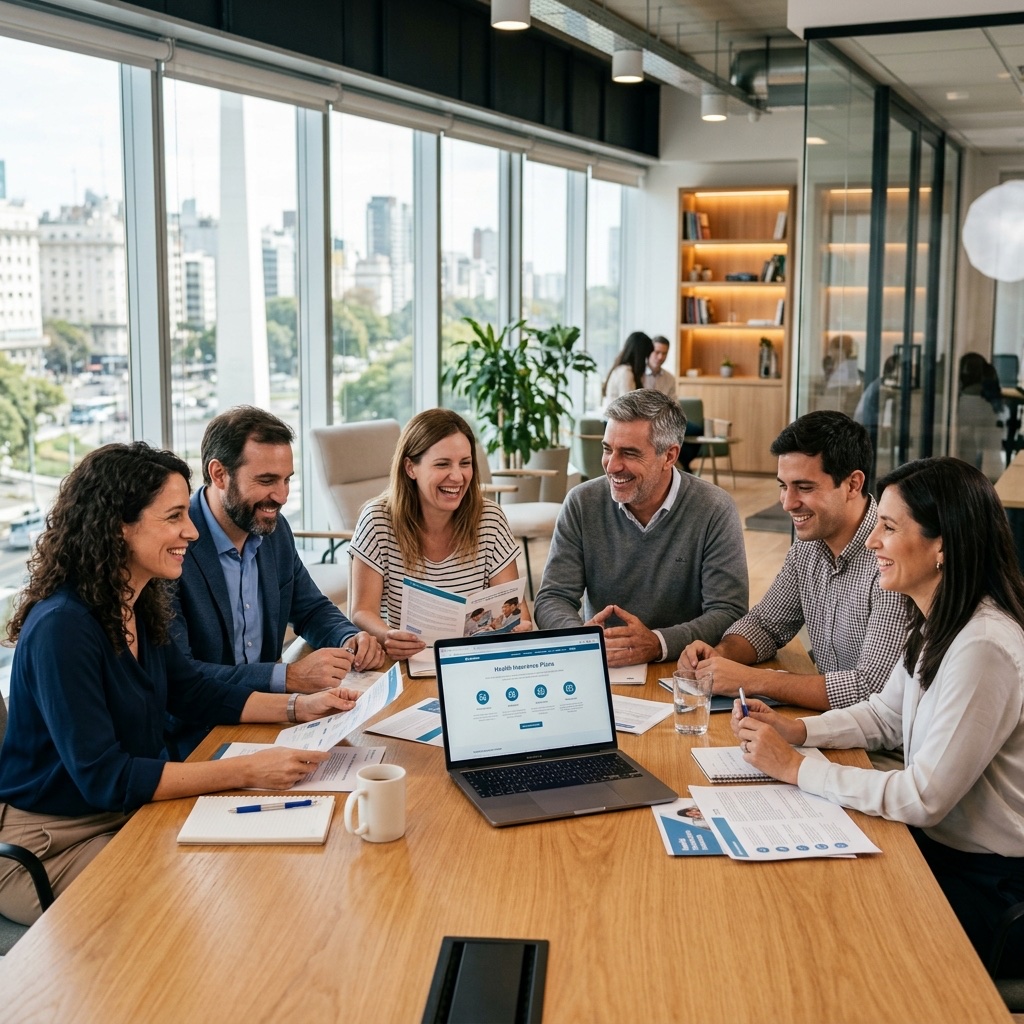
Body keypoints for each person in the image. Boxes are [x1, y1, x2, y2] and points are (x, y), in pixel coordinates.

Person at [0, 443, 359, 925]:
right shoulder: (62, 628)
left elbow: (193, 691)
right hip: (53, 843)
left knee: (248, 876)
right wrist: (247, 770)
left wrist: (300, 707)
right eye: (173, 517)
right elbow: (106, 777)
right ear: (118, 527)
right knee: (188, 909)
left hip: (130, 812)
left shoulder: (139, 602)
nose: (191, 530)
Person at [733, 457, 1024, 973]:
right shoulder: (938, 620)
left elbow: (923, 797)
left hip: (990, 886)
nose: (872, 542)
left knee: (835, 934)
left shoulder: (984, 646)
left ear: (943, 545)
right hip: (943, 852)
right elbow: (885, 715)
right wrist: (796, 729)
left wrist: (797, 766)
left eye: (889, 528)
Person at [169, 406, 382, 758]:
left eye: (287, 480)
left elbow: (310, 607)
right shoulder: (175, 544)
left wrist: (349, 637)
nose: (281, 497)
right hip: (200, 732)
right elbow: (183, 675)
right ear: (219, 474)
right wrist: (288, 677)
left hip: (272, 719)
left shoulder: (273, 530)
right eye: (267, 481)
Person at [680, 411, 906, 714]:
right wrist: (718, 658)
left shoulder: (892, 559)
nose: (787, 503)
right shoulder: (808, 547)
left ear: (853, 484)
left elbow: (870, 690)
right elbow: (765, 625)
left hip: (885, 747)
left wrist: (755, 680)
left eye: (804, 487)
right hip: (836, 725)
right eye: (783, 486)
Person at [534, 389, 747, 667]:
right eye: (607, 449)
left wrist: (658, 643)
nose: (612, 465)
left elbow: (728, 611)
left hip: (683, 666)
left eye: (629, 453)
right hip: (602, 663)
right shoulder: (581, 502)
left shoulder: (714, 509)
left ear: (669, 456)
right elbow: (553, 597)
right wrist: (580, 638)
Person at [350, 408, 531, 661]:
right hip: (408, 662)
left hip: (474, 660)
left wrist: (519, 625)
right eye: (442, 464)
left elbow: (516, 608)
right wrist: (387, 635)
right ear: (410, 468)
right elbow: (361, 611)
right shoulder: (377, 519)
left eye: (465, 463)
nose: (457, 477)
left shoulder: (489, 518)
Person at [602, 331, 653, 409]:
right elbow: (628, 408)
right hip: (619, 419)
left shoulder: (621, 369)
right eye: (646, 356)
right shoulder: (626, 373)